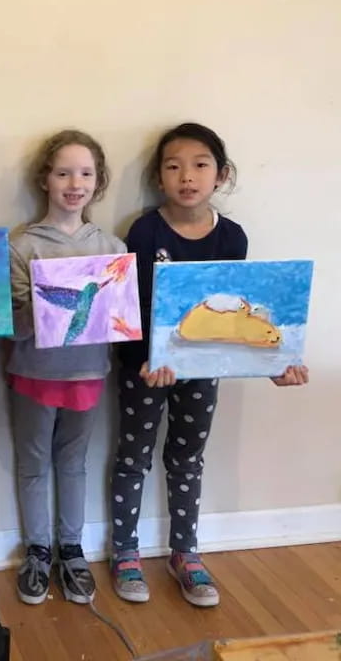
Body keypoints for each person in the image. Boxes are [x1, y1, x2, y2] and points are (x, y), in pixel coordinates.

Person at [110, 122, 309, 607]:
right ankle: (125, 553)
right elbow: (130, 305)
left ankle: (186, 552)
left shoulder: (232, 237)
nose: (187, 176)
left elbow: (242, 316)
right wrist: (141, 361)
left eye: (200, 165)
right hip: (147, 370)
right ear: (159, 178)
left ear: (221, 174)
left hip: (204, 371)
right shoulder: (145, 230)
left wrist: (275, 363)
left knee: (186, 459)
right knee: (132, 456)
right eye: (174, 166)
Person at [8, 130, 125, 605]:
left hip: (89, 373)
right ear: (45, 180)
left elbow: (119, 320)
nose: (74, 183)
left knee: (73, 462)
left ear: (98, 183)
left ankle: (71, 549)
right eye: (63, 172)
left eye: (85, 173)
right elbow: (12, 326)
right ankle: (37, 550)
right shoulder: (20, 246)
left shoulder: (113, 247)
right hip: (34, 374)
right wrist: (42, 310)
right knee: (34, 462)